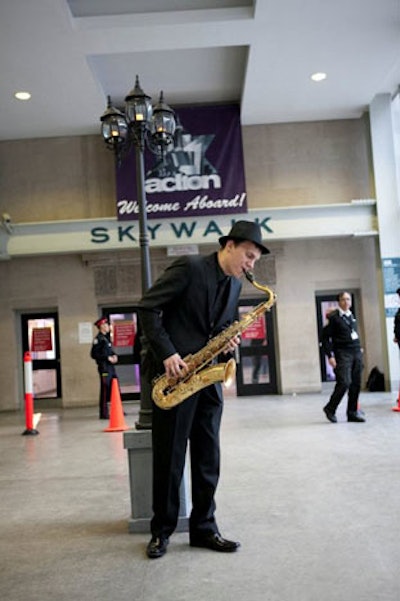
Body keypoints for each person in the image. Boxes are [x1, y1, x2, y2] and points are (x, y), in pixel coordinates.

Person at [136, 220, 269, 559]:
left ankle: (204, 528)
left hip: (208, 380)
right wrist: (167, 353)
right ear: (230, 246)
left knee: (208, 456)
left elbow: (220, 328)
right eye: (249, 256)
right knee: (170, 458)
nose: (251, 265)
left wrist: (229, 342)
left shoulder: (235, 286)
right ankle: (161, 531)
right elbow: (148, 308)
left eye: (255, 260)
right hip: (177, 377)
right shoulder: (191, 267)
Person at [321, 291, 365, 423]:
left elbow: (353, 333)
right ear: (339, 302)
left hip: (356, 352)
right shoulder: (334, 318)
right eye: (343, 300)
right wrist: (330, 356)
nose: (346, 302)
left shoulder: (351, 316)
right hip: (342, 353)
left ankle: (352, 412)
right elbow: (324, 338)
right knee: (344, 382)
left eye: (348, 299)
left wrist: (359, 348)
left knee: (356, 384)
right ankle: (330, 408)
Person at [90, 317, 118, 420]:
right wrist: (107, 358)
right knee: (105, 389)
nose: (108, 327)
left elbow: (110, 351)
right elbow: (94, 354)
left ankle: (117, 409)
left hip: (111, 368)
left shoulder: (106, 338)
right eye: (106, 325)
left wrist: (114, 355)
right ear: (102, 326)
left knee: (115, 388)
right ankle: (104, 413)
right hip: (104, 368)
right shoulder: (99, 339)